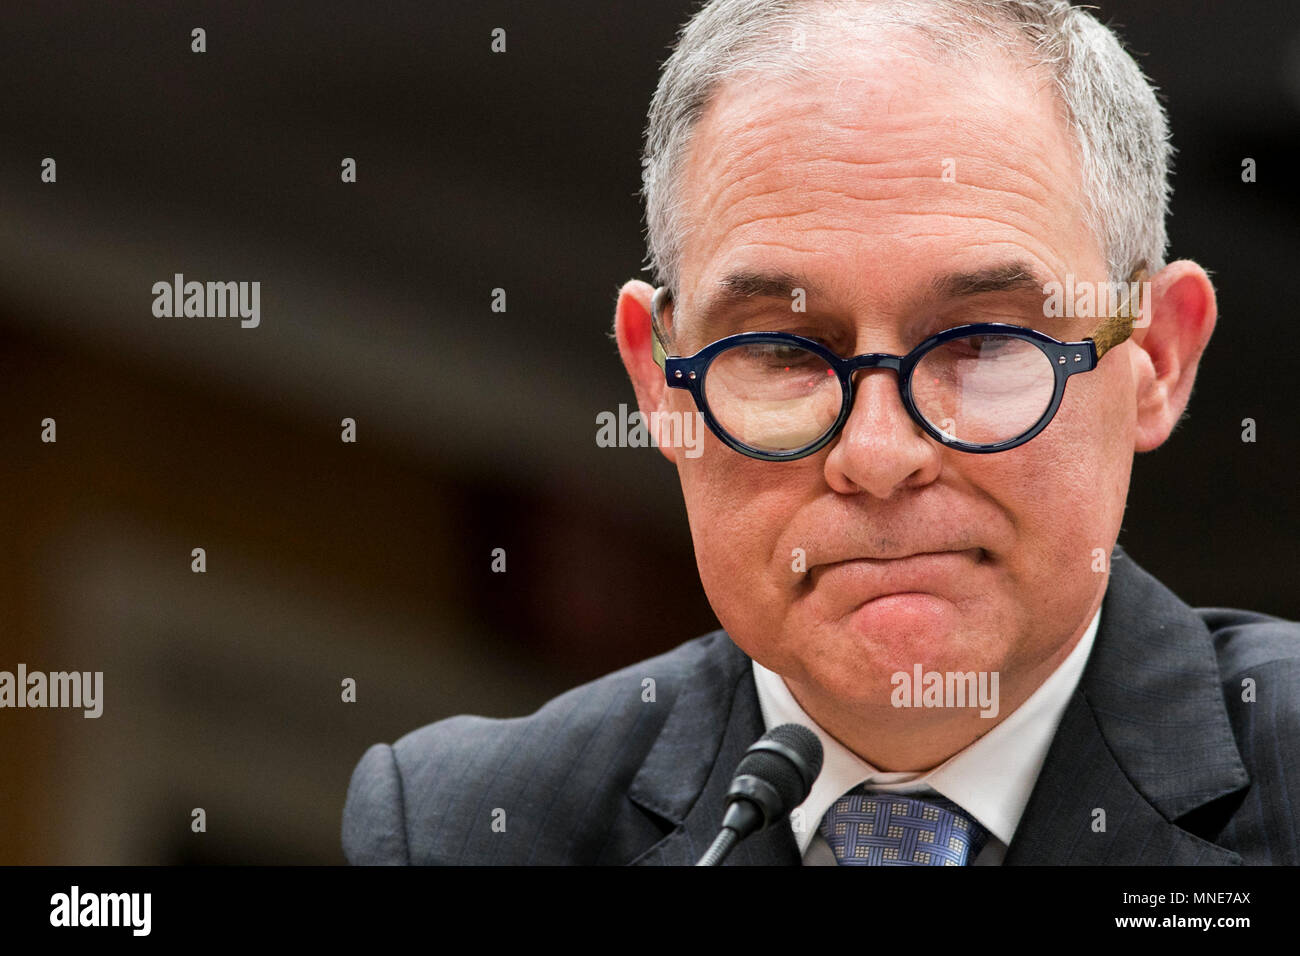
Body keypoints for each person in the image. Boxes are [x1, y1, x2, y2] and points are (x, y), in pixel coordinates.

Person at [342, 0, 1299, 865]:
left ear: (1159, 359)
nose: (878, 458)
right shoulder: (463, 830)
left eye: (981, 343)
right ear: (659, 385)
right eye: (786, 352)